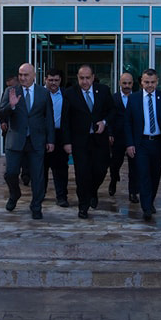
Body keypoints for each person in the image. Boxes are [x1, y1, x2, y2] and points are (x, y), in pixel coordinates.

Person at [0, 63, 55, 219]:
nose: (22, 78)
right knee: (11, 173)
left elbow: (49, 118)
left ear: (34, 76)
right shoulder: (11, 91)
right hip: (15, 140)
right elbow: (1, 113)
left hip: (36, 141)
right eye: (20, 75)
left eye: (26, 75)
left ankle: (36, 206)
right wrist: (11, 106)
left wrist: (50, 140)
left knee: (37, 176)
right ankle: (14, 194)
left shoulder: (43, 93)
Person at [61, 64, 113, 219]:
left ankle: (92, 192)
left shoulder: (103, 90)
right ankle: (83, 206)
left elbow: (112, 111)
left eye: (87, 78)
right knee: (82, 174)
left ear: (93, 77)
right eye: (81, 78)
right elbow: (65, 119)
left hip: (99, 140)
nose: (84, 81)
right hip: (80, 142)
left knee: (101, 170)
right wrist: (67, 142)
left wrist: (104, 122)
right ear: (77, 78)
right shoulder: (70, 93)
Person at [124, 69, 161, 221]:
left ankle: (150, 201)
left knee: (155, 174)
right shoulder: (133, 99)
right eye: (146, 82)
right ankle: (146, 207)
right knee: (143, 175)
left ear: (157, 82)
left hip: (158, 143)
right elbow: (127, 123)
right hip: (141, 143)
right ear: (141, 82)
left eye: (152, 82)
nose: (149, 85)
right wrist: (129, 144)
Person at [107, 72, 136, 201]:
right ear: (120, 83)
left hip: (133, 137)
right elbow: (109, 117)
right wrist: (110, 133)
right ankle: (113, 180)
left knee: (134, 166)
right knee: (115, 163)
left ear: (132, 84)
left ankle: (133, 192)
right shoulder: (113, 98)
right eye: (124, 83)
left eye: (129, 83)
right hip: (118, 136)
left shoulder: (137, 98)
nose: (127, 86)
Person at [43, 69, 70, 206]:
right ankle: (40, 194)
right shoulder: (39, 94)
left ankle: (61, 196)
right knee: (41, 167)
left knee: (60, 168)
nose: (53, 83)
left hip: (60, 135)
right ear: (45, 79)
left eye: (56, 80)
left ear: (60, 80)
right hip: (42, 135)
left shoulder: (67, 95)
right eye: (50, 80)